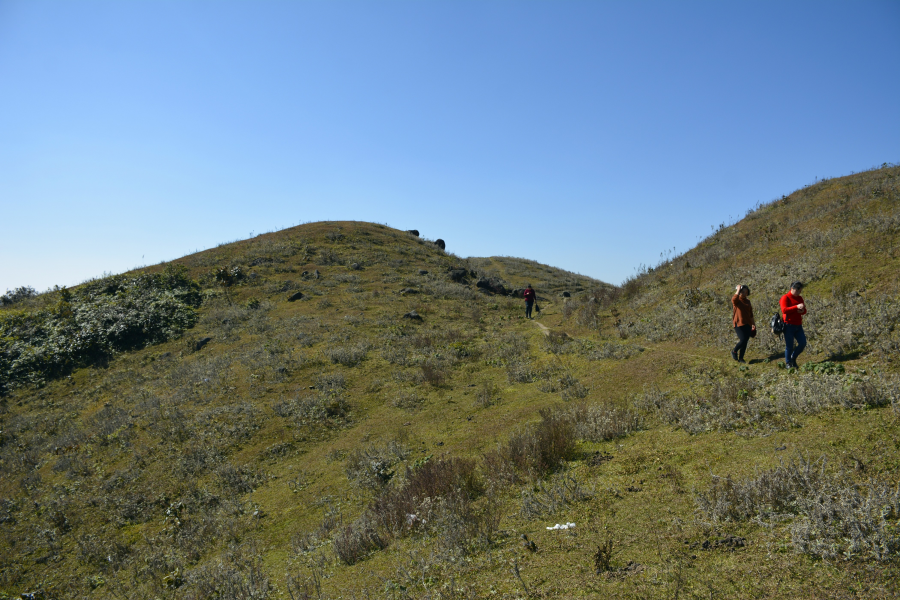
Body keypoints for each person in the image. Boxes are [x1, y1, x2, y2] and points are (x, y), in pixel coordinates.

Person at [779, 281, 807, 369]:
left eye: (800, 291)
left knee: (802, 343)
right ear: (792, 289)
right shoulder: (785, 297)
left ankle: (793, 357)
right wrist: (796, 307)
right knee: (789, 346)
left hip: (798, 325)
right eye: (798, 291)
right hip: (788, 325)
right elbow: (784, 310)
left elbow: (804, 310)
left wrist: (802, 311)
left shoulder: (800, 298)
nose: (799, 293)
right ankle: (788, 363)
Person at [731, 284, 755, 363]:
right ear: (740, 292)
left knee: (745, 342)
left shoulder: (748, 302)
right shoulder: (737, 301)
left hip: (748, 324)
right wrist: (737, 290)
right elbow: (733, 299)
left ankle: (741, 358)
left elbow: (750, 314)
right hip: (739, 324)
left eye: (746, 292)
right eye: (743, 292)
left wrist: (753, 324)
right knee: (743, 339)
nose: (744, 294)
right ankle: (734, 351)